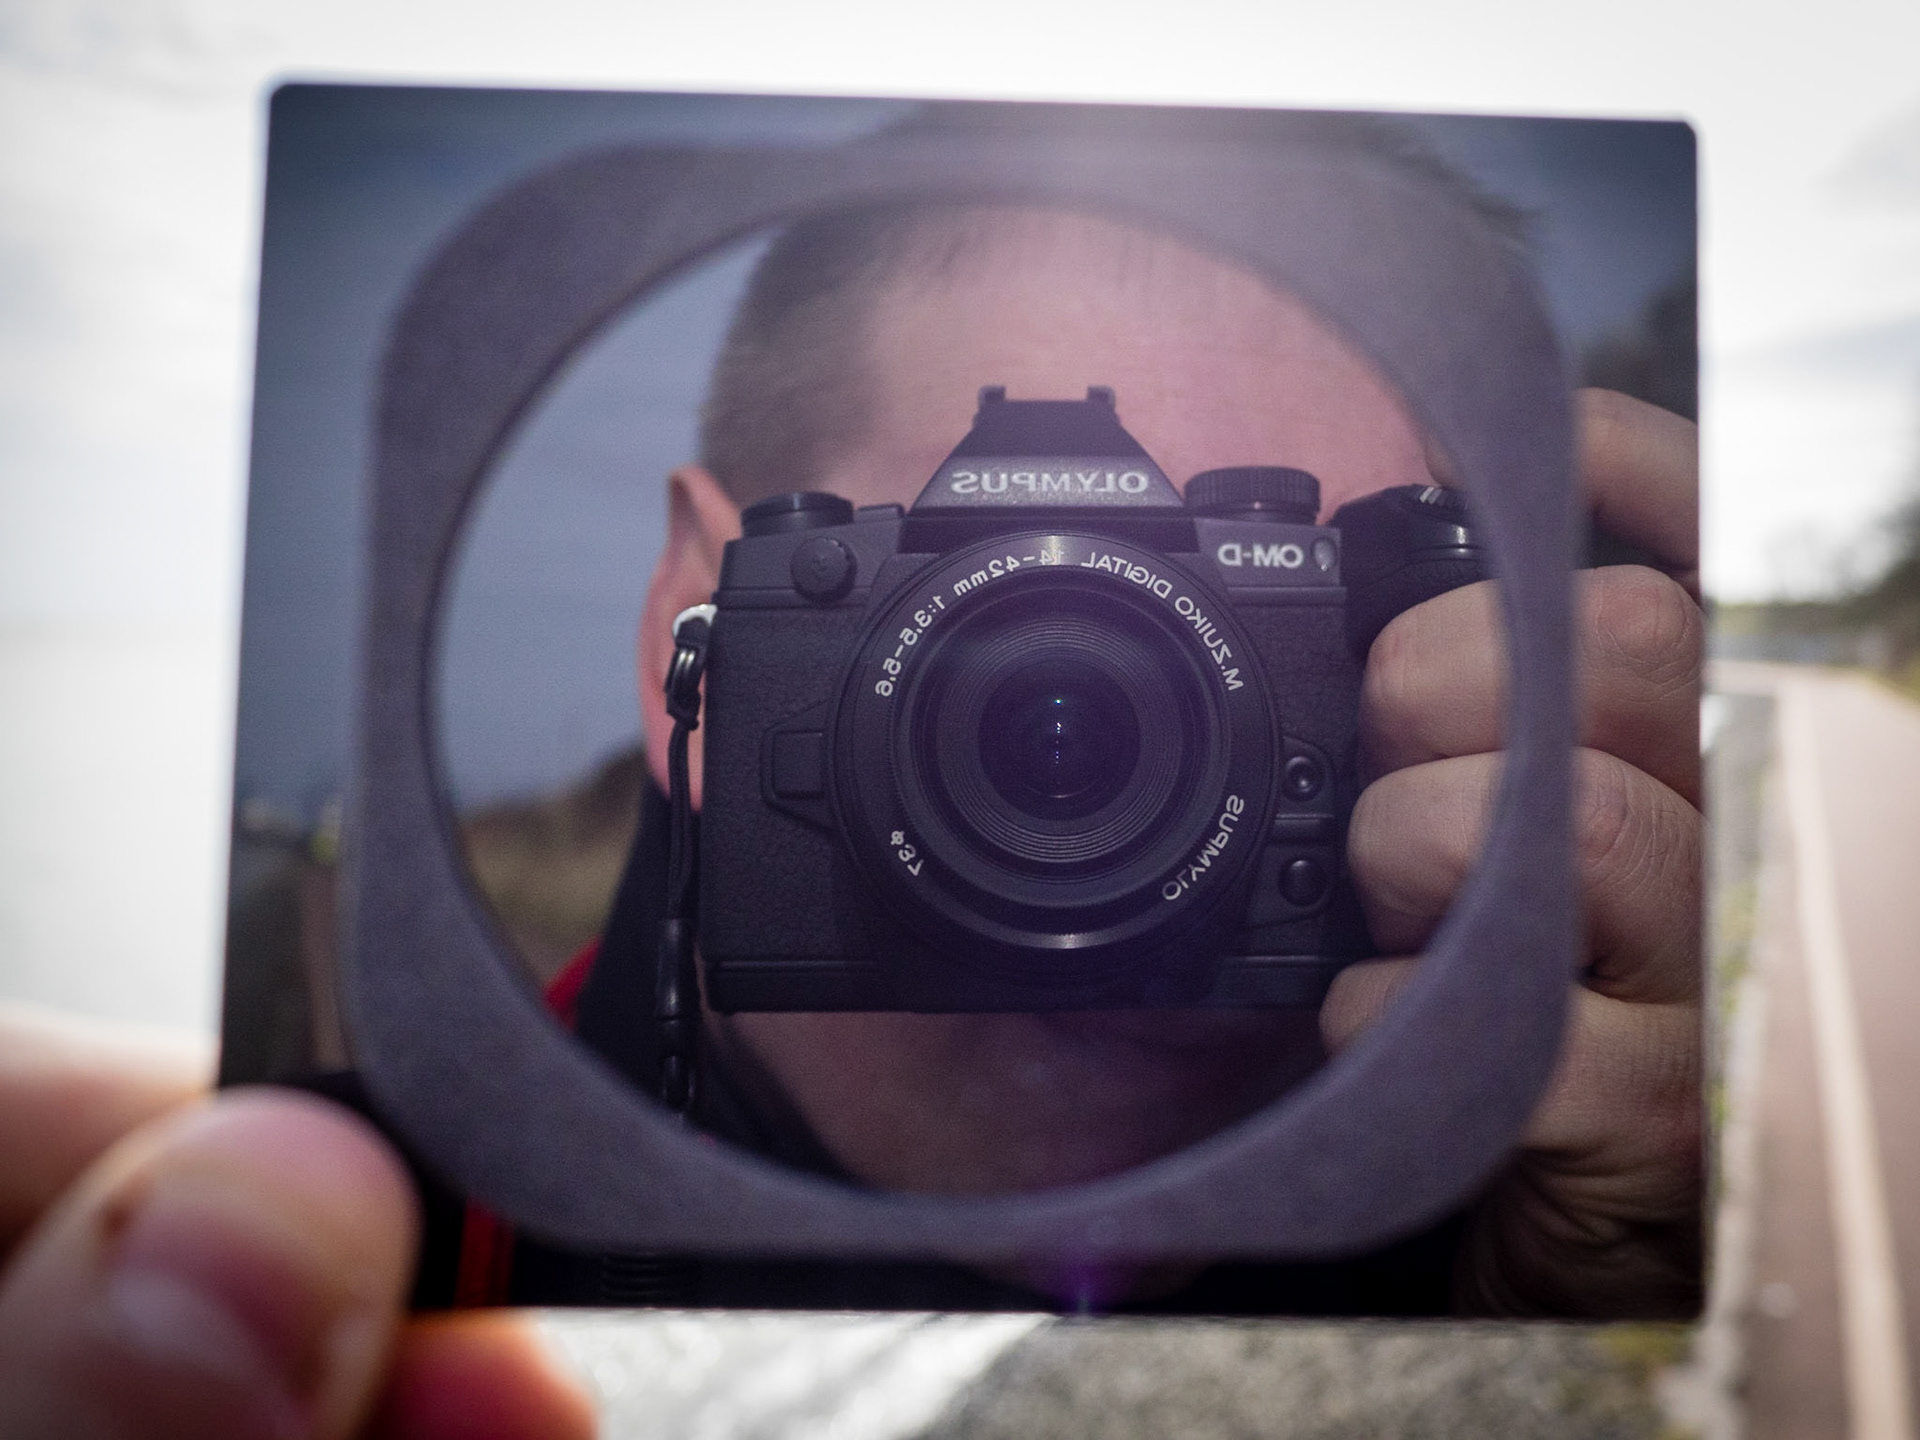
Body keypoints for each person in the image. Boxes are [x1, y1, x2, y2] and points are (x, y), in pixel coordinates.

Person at [0, 113, 1700, 1432]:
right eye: (1001, 618)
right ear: (703, 638)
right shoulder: (321, 1266)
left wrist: (1594, 1360)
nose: (1127, 740)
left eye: (1268, 636)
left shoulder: (1563, 1226)